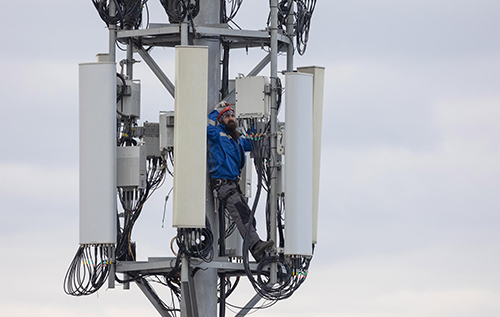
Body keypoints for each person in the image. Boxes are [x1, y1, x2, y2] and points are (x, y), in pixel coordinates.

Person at [207, 101, 274, 262]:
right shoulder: (217, 134)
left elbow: (252, 142)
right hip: (222, 184)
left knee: (249, 216)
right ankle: (256, 247)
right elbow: (207, 128)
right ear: (221, 120)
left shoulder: (237, 139)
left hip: (233, 185)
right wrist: (217, 111)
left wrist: (254, 121)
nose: (230, 118)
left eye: (232, 116)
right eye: (227, 116)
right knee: (243, 215)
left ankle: (259, 250)